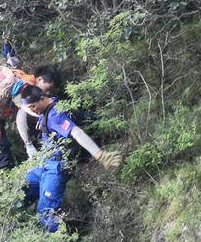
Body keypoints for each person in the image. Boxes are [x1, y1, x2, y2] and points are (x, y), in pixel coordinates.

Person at [20, 85, 124, 232]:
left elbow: (76, 132)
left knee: (46, 214)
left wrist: (100, 155)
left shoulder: (55, 115)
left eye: (33, 106)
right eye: (29, 108)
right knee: (20, 191)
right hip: (43, 164)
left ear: (42, 99)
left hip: (55, 169)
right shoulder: (48, 105)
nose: (32, 110)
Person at [15, 65, 62, 159]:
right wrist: (28, 145)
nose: (48, 93)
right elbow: (21, 114)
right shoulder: (25, 86)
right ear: (40, 79)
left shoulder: (28, 84)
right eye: (48, 88)